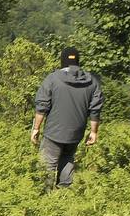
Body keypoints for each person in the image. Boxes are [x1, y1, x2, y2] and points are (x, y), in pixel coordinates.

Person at [31, 47, 102, 189]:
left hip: (54, 131)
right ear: (78, 61)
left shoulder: (52, 79)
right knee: (68, 159)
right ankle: (65, 193)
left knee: (48, 164)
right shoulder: (92, 81)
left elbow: (42, 106)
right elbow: (95, 109)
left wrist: (36, 128)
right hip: (76, 132)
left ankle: (45, 197)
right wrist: (94, 132)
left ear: (62, 61)